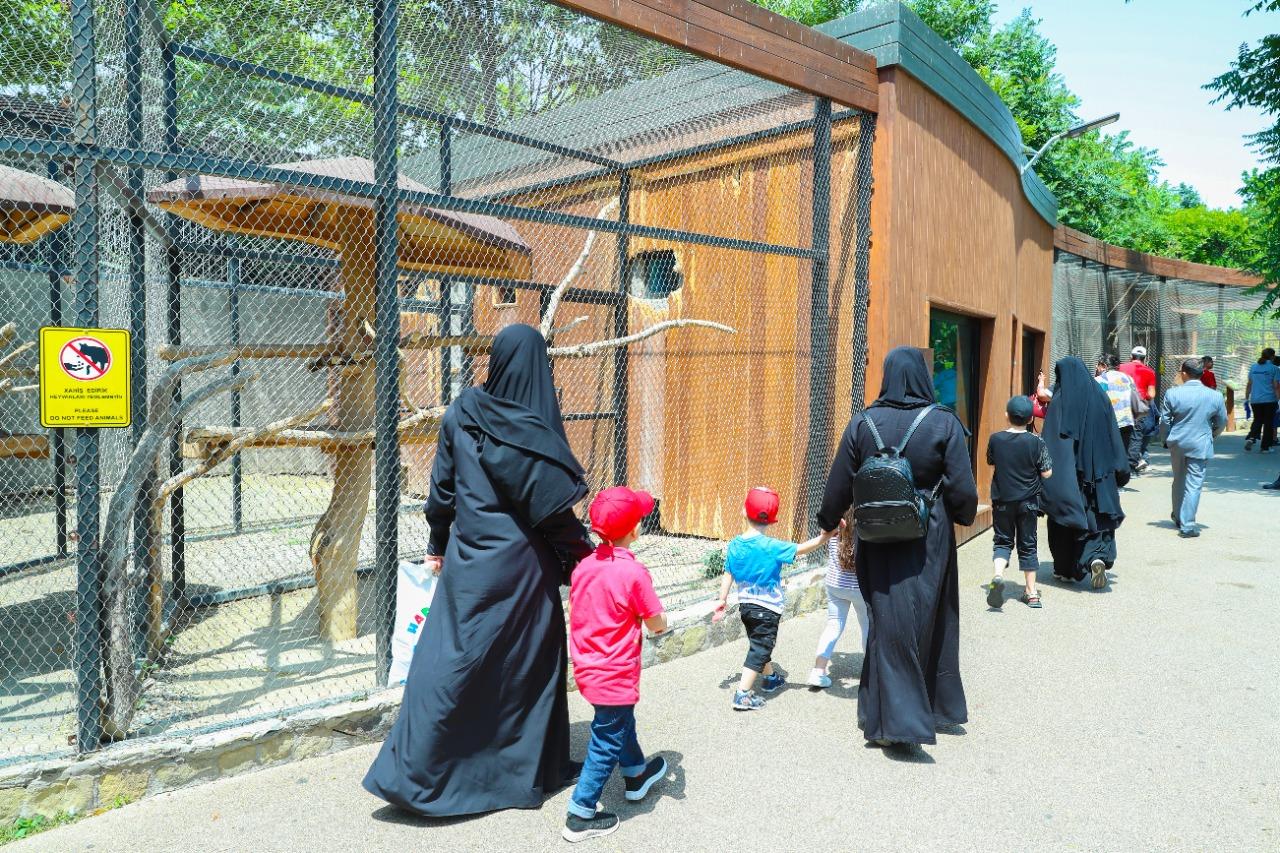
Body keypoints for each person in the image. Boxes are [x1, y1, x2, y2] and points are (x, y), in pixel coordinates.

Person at [363, 324, 594, 817]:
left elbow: (442, 490)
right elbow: (552, 512)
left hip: (469, 562)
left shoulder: (462, 411)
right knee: (525, 668)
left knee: (449, 659)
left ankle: (415, 772)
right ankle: (522, 773)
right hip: (524, 572)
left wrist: (437, 544)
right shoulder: (530, 426)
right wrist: (587, 561)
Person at [816, 347, 978, 747]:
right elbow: (963, 491)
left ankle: (882, 710)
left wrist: (827, 521)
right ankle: (911, 718)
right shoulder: (943, 423)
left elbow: (838, 484)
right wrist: (962, 514)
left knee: (886, 617)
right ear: (923, 377)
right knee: (929, 616)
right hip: (930, 533)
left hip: (876, 533)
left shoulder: (863, 423)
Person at [563, 487, 669, 843]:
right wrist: (660, 625)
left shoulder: (584, 568)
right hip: (615, 673)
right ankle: (580, 812)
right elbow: (655, 621)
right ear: (635, 530)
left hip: (588, 668)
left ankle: (637, 774)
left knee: (619, 721)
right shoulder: (633, 573)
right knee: (606, 739)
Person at [715, 486, 832, 711]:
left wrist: (722, 599)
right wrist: (824, 537)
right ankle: (742, 694)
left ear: (743, 511)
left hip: (746, 607)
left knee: (759, 645)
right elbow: (801, 549)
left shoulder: (735, 544)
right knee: (761, 648)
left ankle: (770, 679)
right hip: (767, 609)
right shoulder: (772, 546)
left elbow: (728, 572)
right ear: (772, 520)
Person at [1040, 357, 1130, 589]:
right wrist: (1120, 468)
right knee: (1097, 517)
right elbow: (1113, 435)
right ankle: (1097, 558)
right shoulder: (1100, 397)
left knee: (1064, 522)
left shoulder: (1060, 402)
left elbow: (1051, 444)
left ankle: (1065, 570)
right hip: (1099, 474)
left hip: (1069, 478)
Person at [986, 396, 1053, 609]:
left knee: (1003, 541)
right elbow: (1047, 472)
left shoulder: (996, 439)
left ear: (1007, 415)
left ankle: (998, 576)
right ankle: (1032, 593)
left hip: (1003, 500)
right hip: (1028, 502)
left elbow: (990, 460)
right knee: (1028, 544)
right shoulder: (1036, 442)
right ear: (1031, 417)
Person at [1160, 358, 1228, 539]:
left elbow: (1165, 421)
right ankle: (1188, 524)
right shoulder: (1215, 396)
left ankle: (1177, 515)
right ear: (1203, 373)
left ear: (1183, 373)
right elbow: (1221, 422)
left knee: (1179, 479)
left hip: (1178, 443)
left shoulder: (1172, 394)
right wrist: (1211, 435)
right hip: (1200, 442)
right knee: (1194, 483)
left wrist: (1165, 439)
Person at [807, 519, 870, 689]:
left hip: (835, 585)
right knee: (867, 626)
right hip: (861, 588)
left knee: (833, 625)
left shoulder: (833, 526)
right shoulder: (867, 527)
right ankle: (872, 671)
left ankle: (818, 671)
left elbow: (823, 532)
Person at [1095, 354, 1140, 472]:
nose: (1096, 368)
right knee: (1121, 453)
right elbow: (1135, 399)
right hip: (1127, 421)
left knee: (1106, 453)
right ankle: (1119, 481)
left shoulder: (1099, 380)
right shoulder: (1128, 378)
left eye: (1098, 365)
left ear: (1104, 366)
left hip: (1108, 423)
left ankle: (1109, 482)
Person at [1118, 345, 1158, 471]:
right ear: (1144, 359)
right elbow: (1151, 394)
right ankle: (1131, 465)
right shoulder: (1149, 371)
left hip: (1121, 405)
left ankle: (1118, 462)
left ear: (1131, 357)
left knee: (1120, 433)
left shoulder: (1120, 368)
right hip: (1139, 408)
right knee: (1136, 436)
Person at [1245, 347, 1280, 453]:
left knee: (1258, 419)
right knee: (1268, 423)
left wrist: (1247, 397)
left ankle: (1252, 437)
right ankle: (1265, 447)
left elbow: (1249, 383)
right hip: (1270, 399)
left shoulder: (1253, 367)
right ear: (1272, 356)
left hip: (1255, 399)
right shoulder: (1274, 368)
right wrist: (1278, 399)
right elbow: (1276, 386)